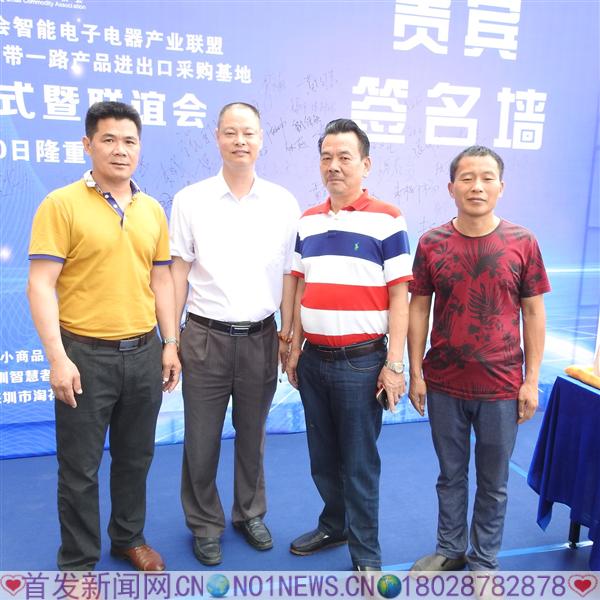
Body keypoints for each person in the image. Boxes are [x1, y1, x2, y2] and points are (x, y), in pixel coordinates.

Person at [27, 101, 181, 572]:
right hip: (84, 355)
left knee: (136, 457)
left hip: (144, 352)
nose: (120, 150)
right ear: (87, 144)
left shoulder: (151, 209)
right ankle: (77, 563)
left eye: (129, 141)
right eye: (109, 139)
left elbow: (161, 280)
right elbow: (40, 284)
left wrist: (170, 343)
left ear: (140, 148)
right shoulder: (61, 204)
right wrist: (58, 358)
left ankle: (128, 538)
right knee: (80, 467)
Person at [407, 145, 550, 575]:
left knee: (494, 481)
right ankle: (450, 549)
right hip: (444, 382)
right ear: (451, 187)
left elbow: (533, 312)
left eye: (487, 178)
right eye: (467, 178)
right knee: (450, 475)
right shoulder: (431, 243)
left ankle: (484, 561)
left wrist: (531, 380)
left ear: (501, 187)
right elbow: (418, 308)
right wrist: (415, 373)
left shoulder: (523, 242)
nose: (477, 186)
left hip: (501, 386)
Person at [169, 102, 300, 566]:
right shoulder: (191, 200)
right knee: (201, 438)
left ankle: (250, 513)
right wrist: (171, 340)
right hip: (205, 336)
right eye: (230, 132)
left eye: (248, 132)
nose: (240, 141)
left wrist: (288, 334)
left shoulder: (283, 203)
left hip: (262, 336)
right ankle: (205, 524)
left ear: (261, 138)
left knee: (252, 435)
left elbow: (289, 274)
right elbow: (178, 272)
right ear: (217, 138)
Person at [285, 118, 412, 571]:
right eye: (326, 157)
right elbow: (300, 285)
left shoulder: (388, 219)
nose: (334, 166)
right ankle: (333, 525)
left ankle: (366, 555)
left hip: (362, 363)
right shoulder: (307, 220)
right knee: (322, 457)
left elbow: (400, 295)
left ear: (365, 164)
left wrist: (394, 364)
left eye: (344, 157)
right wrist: (294, 347)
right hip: (313, 360)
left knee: (359, 463)